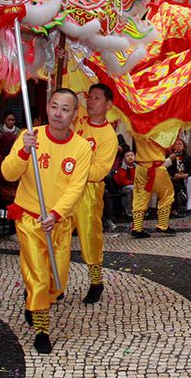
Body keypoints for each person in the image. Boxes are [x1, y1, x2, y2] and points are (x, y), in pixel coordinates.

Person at [2, 88, 92, 354]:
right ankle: (42, 329)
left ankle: (36, 300)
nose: (58, 114)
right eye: (54, 106)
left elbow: (76, 187)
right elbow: (8, 174)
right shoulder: (30, 136)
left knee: (57, 281)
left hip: (59, 222)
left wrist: (55, 215)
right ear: (47, 107)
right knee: (39, 276)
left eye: (65, 109)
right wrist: (23, 153)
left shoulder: (81, 148)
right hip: (31, 220)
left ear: (75, 114)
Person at [72, 83, 118, 304]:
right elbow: (64, 90)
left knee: (90, 235)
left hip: (88, 190)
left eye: (96, 98)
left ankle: (96, 281)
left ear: (108, 104)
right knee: (56, 235)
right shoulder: (78, 117)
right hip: (63, 186)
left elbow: (101, 170)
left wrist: (73, 167)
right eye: (89, 97)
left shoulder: (109, 136)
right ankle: (52, 283)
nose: (90, 101)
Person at [130, 133, 175, 238]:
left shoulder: (137, 129)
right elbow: (168, 144)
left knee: (140, 195)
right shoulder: (159, 130)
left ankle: (137, 228)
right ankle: (162, 225)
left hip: (141, 167)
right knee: (166, 194)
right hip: (156, 167)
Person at [167, 138, 191, 212]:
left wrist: (187, 174)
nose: (179, 146)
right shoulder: (170, 156)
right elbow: (167, 168)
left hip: (185, 178)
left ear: (184, 146)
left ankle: (189, 203)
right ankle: (190, 205)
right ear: (173, 147)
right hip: (175, 179)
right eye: (176, 144)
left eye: (180, 144)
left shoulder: (187, 156)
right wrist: (174, 174)